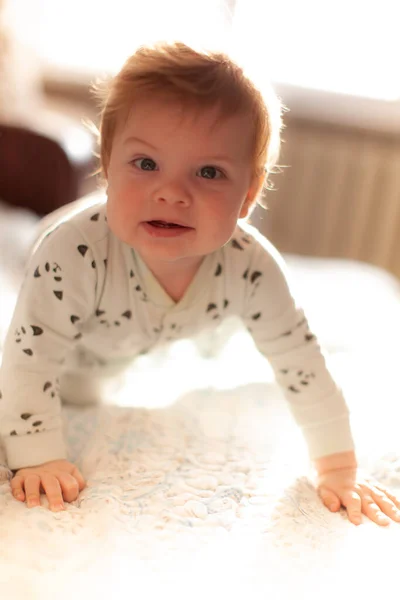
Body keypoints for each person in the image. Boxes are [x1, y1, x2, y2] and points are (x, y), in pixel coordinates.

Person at [1, 41, 399, 526]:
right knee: (67, 377)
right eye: (146, 164)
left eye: (209, 172)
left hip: (146, 339)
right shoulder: (71, 254)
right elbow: (29, 360)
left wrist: (338, 466)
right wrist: (38, 455)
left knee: (215, 349)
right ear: (106, 167)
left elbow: (302, 362)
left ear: (248, 196)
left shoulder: (251, 266)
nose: (171, 192)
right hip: (68, 321)